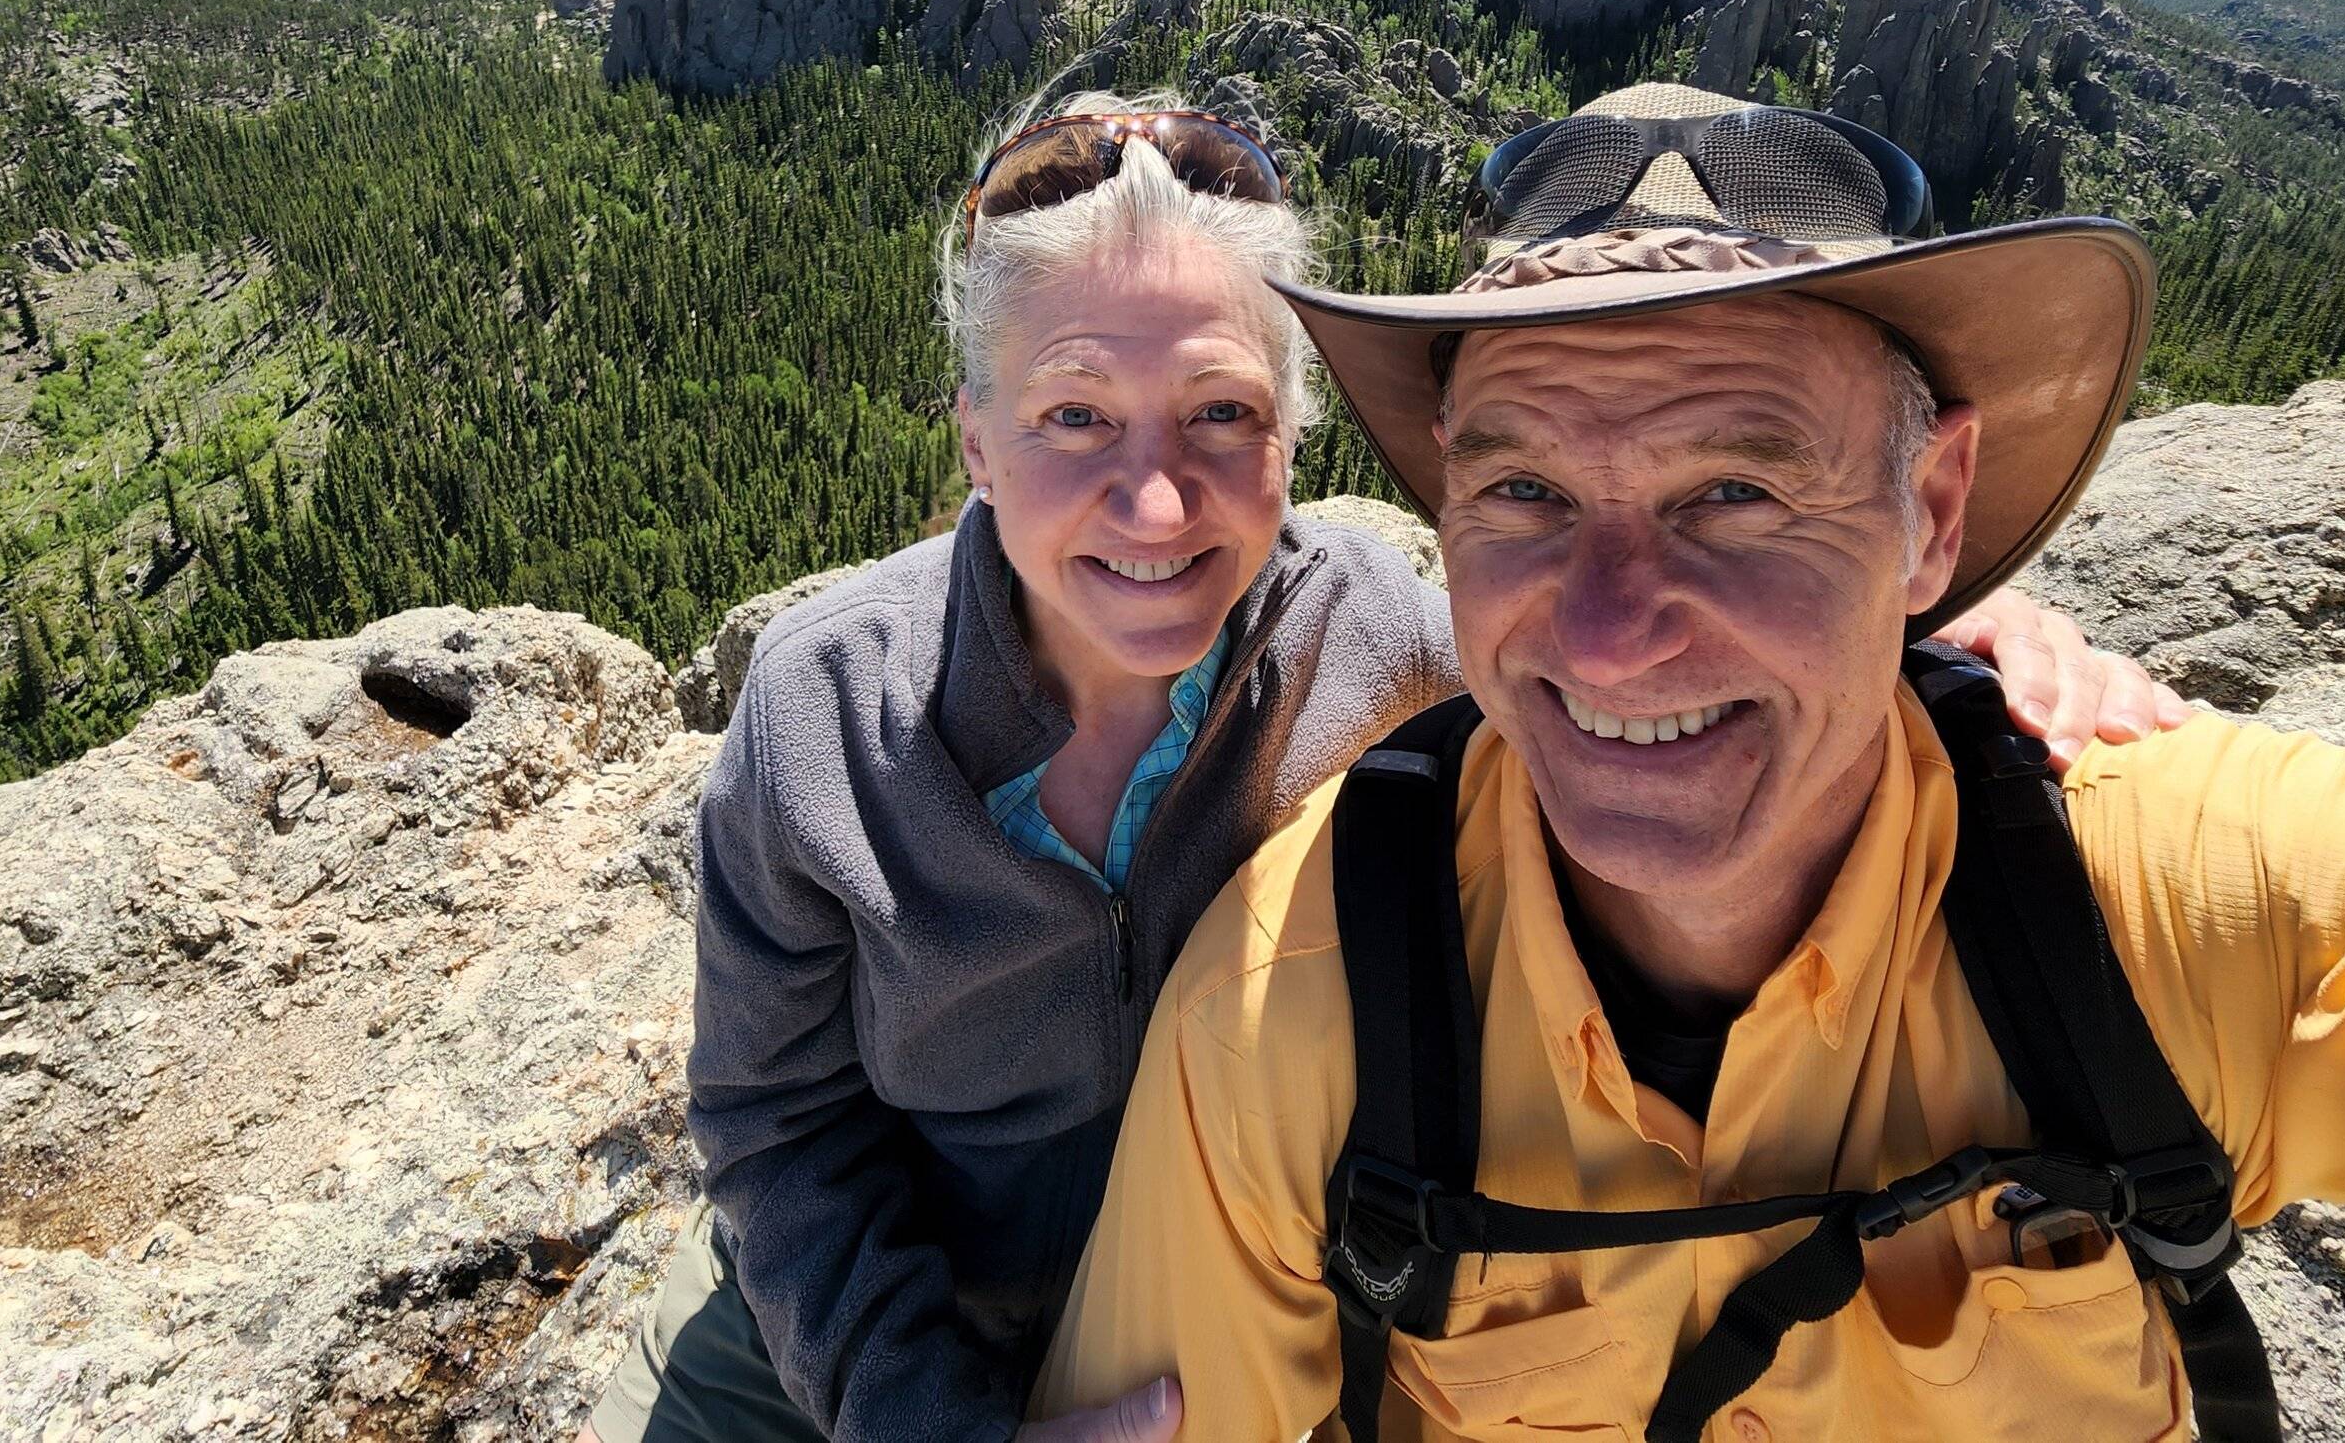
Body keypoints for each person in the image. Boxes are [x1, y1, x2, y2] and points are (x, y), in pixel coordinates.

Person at [593, 87, 2183, 1443]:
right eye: (1076, 415)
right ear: (976, 441)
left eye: (1220, 413)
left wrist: (1925, 631)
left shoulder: (1390, 647)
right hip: (838, 1353)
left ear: (1297, 438)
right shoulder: (825, 719)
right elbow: (777, 1128)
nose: (1155, 506)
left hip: (1241, 1331)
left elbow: (1614, 654)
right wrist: (923, 1414)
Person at [1031, 81, 2345, 1442]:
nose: (1609, 629)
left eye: (1733, 490)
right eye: (1522, 491)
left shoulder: (2164, 897)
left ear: (1932, 510)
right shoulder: (1298, 999)